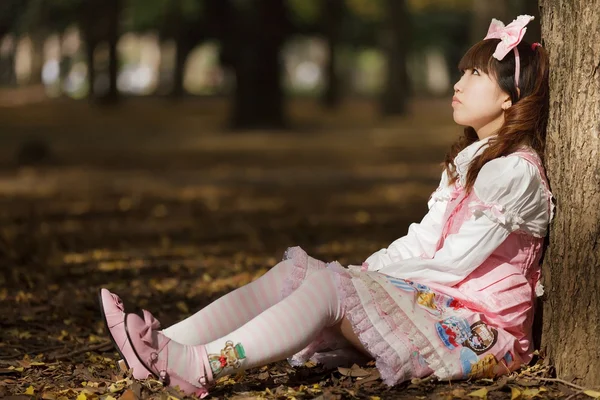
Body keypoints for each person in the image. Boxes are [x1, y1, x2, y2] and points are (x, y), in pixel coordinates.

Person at [99, 15, 554, 398]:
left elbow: (456, 263)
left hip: (480, 329)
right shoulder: (472, 159)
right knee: (299, 275)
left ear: (510, 97)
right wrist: (373, 268)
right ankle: (164, 343)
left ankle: (197, 365)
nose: (457, 84)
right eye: (461, 73)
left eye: (475, 75)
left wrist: (367, 282)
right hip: (438, 300)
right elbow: (425, 236)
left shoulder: (514, 173)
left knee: (332, 287)